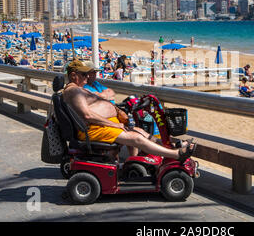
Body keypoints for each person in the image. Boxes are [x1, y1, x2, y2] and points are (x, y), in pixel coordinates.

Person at [62, 60, 196, 163]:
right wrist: (115, 124)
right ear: (73, 75)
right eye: (84, 74)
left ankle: (172, 147)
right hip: (94, 129)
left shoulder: (78, 88)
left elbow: (105, 97)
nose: (87, 77)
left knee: (141, 132)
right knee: (137, 138)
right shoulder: (73, 91)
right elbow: (87, 115)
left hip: (102, 125)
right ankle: (177, 155)